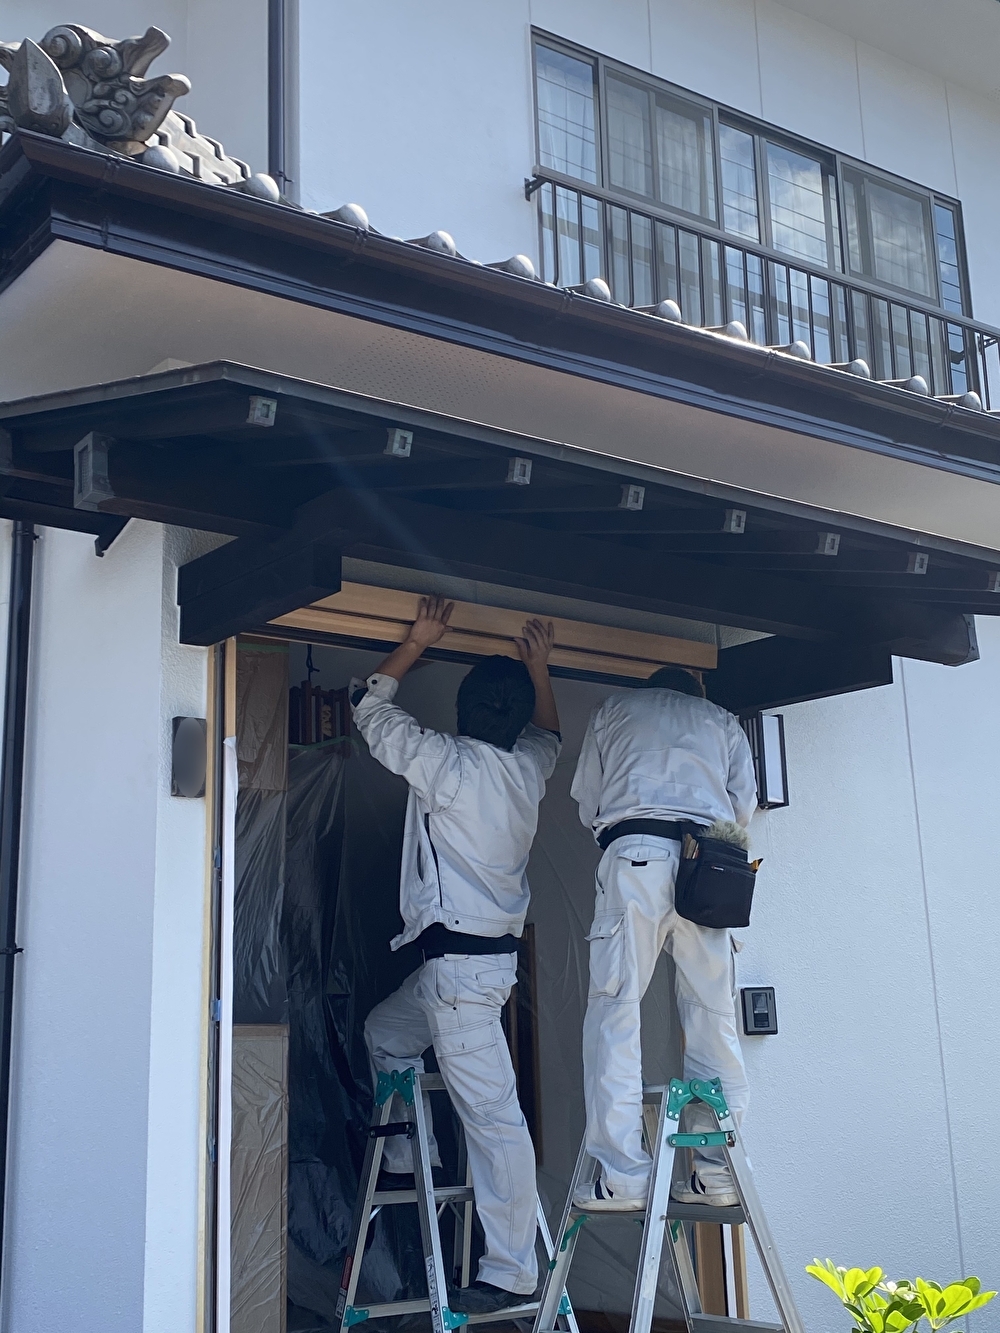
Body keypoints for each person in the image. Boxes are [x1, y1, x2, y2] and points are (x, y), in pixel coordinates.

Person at [353, 596, 561, 1315]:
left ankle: (511, 1269)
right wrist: (540, 667)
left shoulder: (450, 764)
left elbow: (371, 712)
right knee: (385, 1032)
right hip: (469, 970)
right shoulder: (525, 770)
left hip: (458, 976)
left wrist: (417, 642)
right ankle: (410, 1155)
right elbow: (550, 734)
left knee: (495, 1119)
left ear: (464, 711)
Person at [569, 664, 757, 1211]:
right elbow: (742, 809)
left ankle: (624, 1176)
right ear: (695, 692)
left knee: (616, 1011)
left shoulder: (614, 711)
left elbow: (588, 802)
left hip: (637, 856)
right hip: (711, 864)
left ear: (649, 688)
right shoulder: (722, 721)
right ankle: (717, 1173)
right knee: (712, 1017)